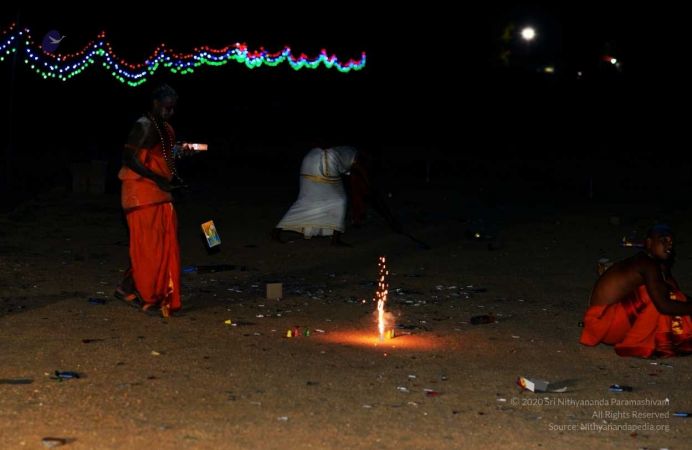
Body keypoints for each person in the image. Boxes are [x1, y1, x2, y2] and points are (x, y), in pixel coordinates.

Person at [114, 84, 192, 318]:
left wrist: (180, 152)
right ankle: (150, 298)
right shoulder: (144, 125)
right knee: (150, 249)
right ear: (156, 104)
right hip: (142, 194)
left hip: (157, 193)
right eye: (167, 107)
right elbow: (129, 158)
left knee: (154, 247)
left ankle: (127, 289)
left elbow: (159, 155)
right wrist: (158, 179)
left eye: (173, 108)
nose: (170, 112)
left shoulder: (164, 128)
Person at [580, 224, 692, 357]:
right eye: (663, 240)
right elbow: (664, 306)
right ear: (649, 243)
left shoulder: (656, 265)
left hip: (611, 324)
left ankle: (668, 339)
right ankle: (634, 344)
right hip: (602, 325)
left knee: (669, 294)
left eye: (671, 242)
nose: (669, 245)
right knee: (655, 296)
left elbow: (677, 294)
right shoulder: (645, 263)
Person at [272, 145, 359, 246]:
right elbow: (351, 169)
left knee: (305, 202)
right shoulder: (344, 154)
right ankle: (335, 240)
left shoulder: (339, 152)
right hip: (324, 166)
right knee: (340, 201)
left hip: (309, 165)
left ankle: (276, 232)